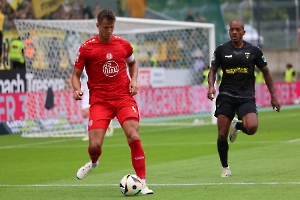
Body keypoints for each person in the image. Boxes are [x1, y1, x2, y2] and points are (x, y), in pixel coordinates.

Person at [71, 9, 153, 194]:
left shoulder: (123, 45)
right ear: (98, 25)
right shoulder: (87, 48)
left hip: (123, 97)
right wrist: (77, 89)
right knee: (95, 145)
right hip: (100, 101)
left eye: (112, 27)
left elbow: (132, 64)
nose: (109, 31)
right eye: (106, 27)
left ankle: (143, 182)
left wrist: (134, 80)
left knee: (133, 134)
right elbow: (75, 75)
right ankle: (93, 162)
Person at [207, 19, 281, 178]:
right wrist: (211, 86)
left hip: (246, 95)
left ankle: (238, 126)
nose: (234, 32)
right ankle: (225, 167)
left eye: (237, 29)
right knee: (221, 134)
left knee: (252, 128)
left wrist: (273, 96)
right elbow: (212, 70)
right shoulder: (221, 50)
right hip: (226, 95)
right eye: (231, 29)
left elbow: (266, 73)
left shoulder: (254, 51)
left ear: (243, 32)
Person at [80, 69, 114, 141]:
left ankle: (108, 124)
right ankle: (88, 134)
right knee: (86, 113)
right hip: (86, 89)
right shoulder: (80, 62)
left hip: (96, 89)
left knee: (100, 110)